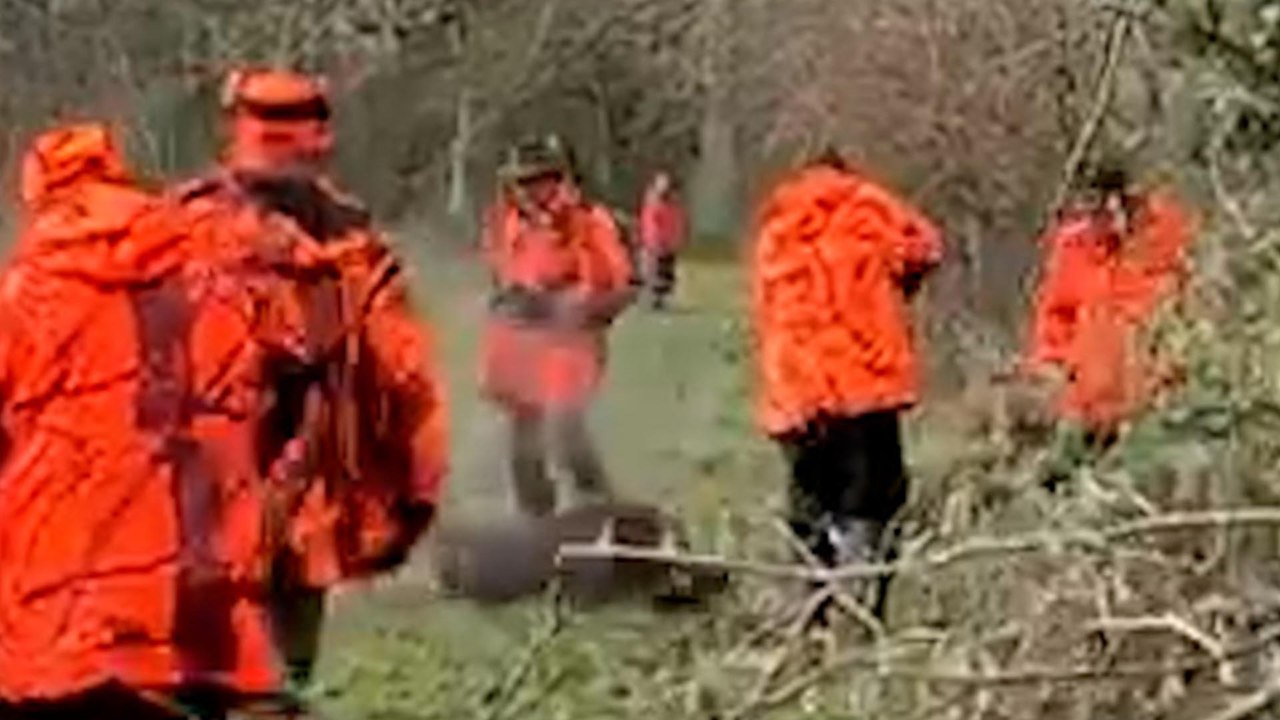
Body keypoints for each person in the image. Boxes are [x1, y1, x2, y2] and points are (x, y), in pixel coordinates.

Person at [0, 123, 332, 719]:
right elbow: (308, 353)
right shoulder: (213, 272)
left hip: (60, 623)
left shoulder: (26, 293)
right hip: (204, 613)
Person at [171, 67, 449, 699]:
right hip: (275, 479)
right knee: (274, 655)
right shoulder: (349, 235)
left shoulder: (182, 223)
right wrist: (411, 486)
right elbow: (404, 376)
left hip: (240, 479)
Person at [749, 149, 942, 612]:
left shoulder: (776, 230)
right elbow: (927, 249)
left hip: (796, 393)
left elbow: (763, 308)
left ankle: (810, 614)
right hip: (865, 387)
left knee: (811, 504)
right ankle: (862, 609)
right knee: (873, 502)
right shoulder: (869, 209)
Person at [480, 137, 634, 517]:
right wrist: (507, 300)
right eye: (522, 183)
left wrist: (571, 307)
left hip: (572, 341)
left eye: (537, 181)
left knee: (565, 430)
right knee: (521, 436)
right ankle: (536, 524)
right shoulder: (510, 222)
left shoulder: (588, 222)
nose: (530, 191)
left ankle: (603, 512)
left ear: (557, 179)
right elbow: (501, 273)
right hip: (521, 339)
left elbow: (620, 287)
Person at [1025, 164, 1192, 476]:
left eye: (1101, 206)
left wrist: (1172, 373)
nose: (1094, 218)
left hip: (1151, 406)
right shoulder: (1073, 246)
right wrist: (1053, 365)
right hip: (1086, 405)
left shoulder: (1166, 240)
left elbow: (1190, 310)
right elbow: (1055, 314)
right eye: (1089, 207)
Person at [637, 171, 687, 310]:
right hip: (654, 245)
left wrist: (676, 240)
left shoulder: (674, 206)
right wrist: (655, 242)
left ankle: (661, 299)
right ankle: (651, 297)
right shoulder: (653, 204)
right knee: (653, 271)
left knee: (667, 272)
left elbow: (678, 223)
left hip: (669, 245)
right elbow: (650, 224)